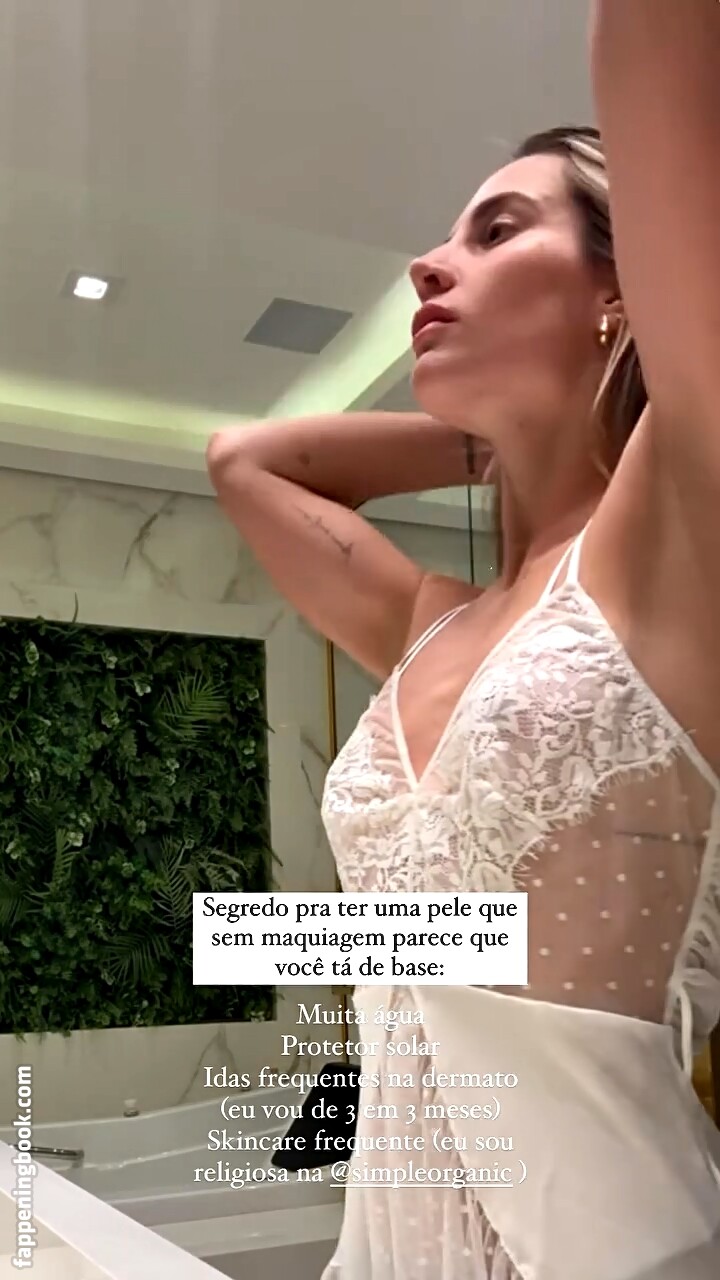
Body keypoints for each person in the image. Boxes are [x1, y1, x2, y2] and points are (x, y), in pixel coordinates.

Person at [207, 4, 720, 1276]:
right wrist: (509, 424)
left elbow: (652, 38)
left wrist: (619, 380)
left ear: (623, 289)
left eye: (497, 231)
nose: (427, 267)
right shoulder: (433, 622)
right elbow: (248, 460)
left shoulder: (675, 541)